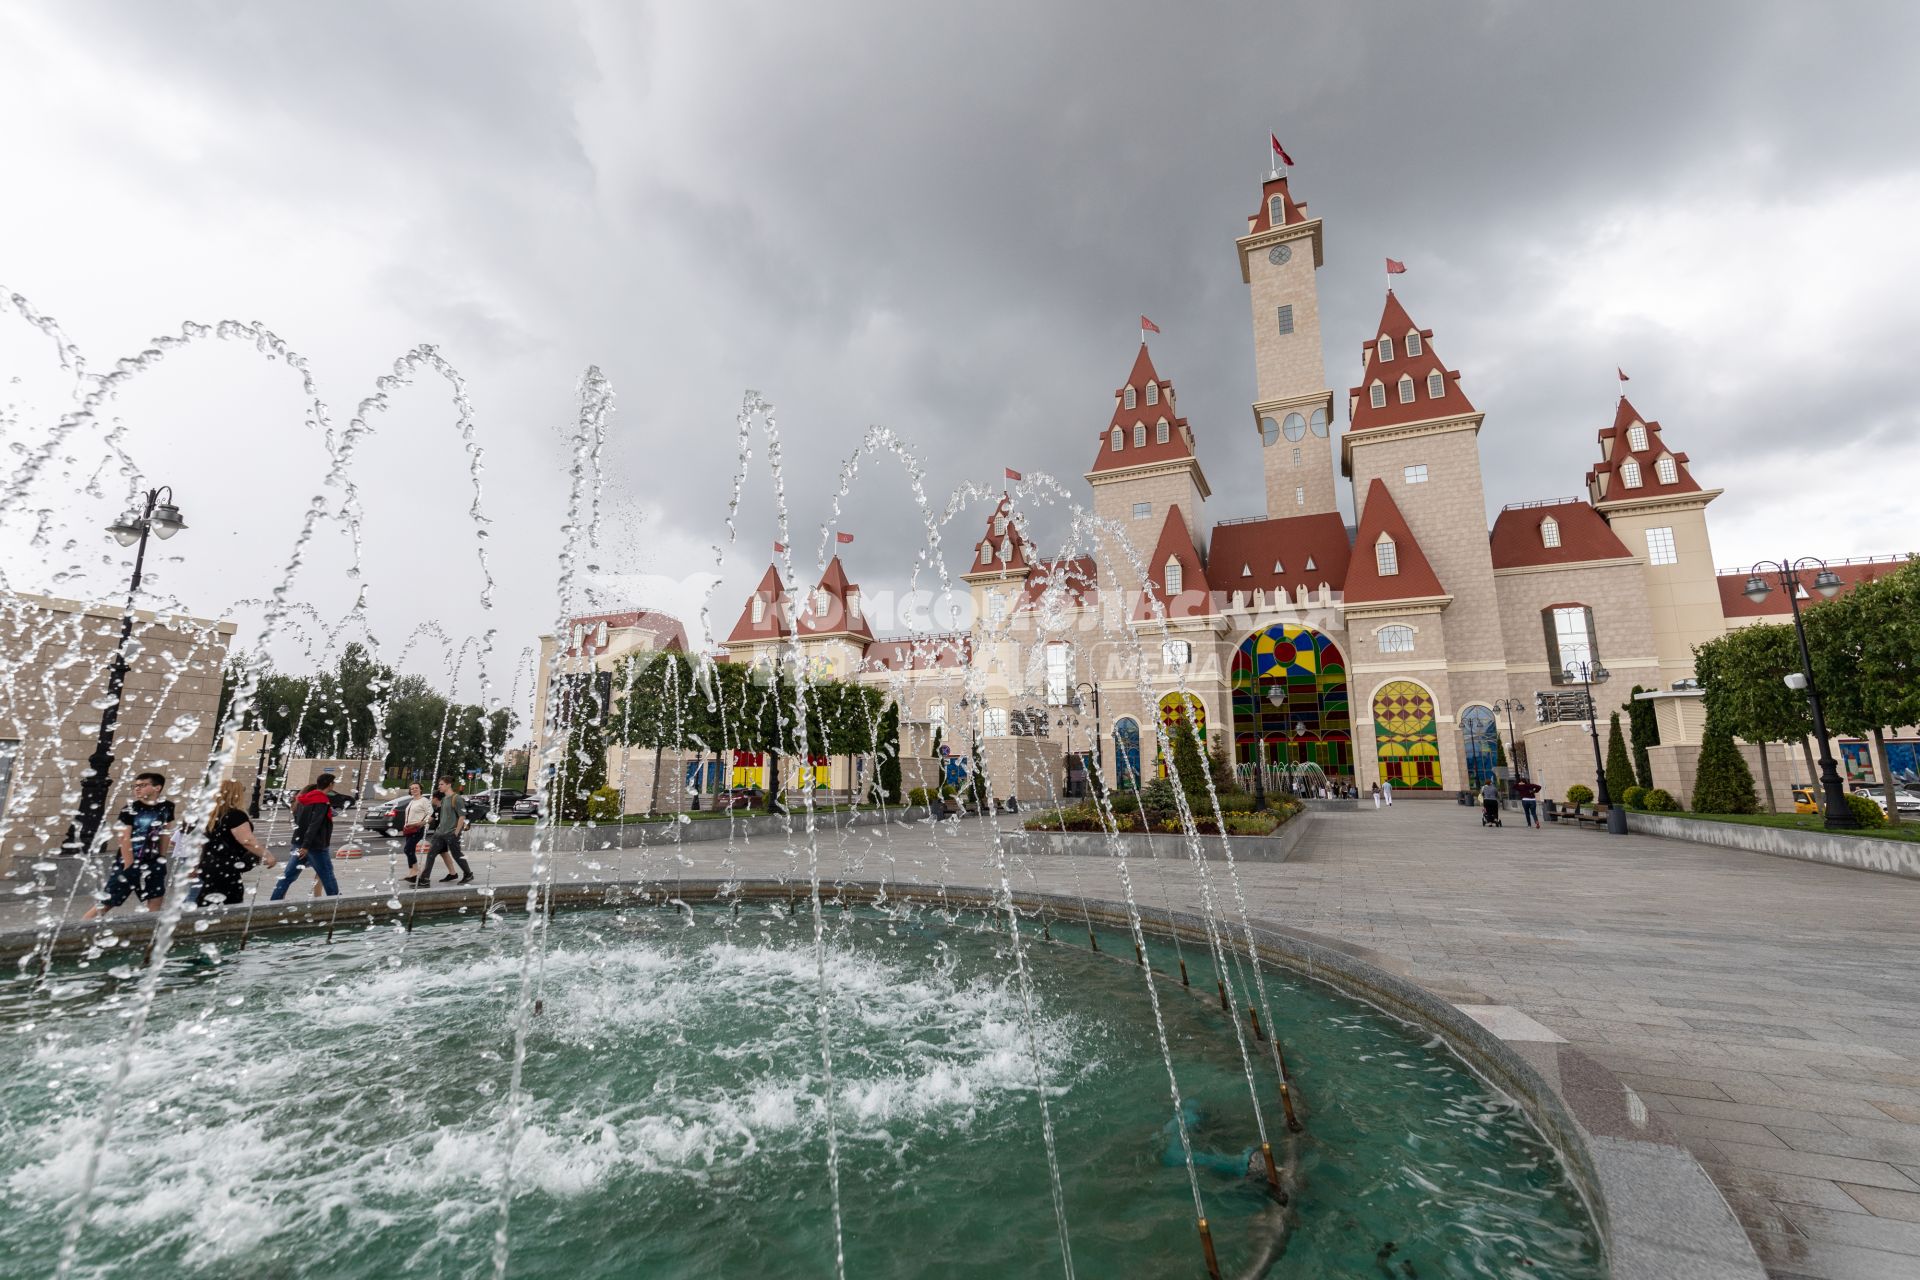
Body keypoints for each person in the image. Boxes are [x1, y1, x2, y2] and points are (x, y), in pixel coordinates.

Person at [83, 771, 175, 919]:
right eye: (135, 786)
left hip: (153, 862)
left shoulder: (167, 806)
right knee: (108, 901)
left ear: (157, 788)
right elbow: (124, 837)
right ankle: (80, 927)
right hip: (129, 862)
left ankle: (152, 936)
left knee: (156, 899)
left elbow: (165, 831)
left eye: (143, 785)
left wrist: (162, 857)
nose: (137, 789)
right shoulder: (130, 809)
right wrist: (128, 864)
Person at [192, 779, 277, 905]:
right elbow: (247, 841)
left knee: (209, 901)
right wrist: (267, 855)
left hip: (209, 864)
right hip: (226, 867)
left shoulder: (211, 815)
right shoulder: (235, 815)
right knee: (232, 903)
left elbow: (202, 843)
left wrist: (195, 865)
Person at [270, 772, 341, 899]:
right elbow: (315, 825)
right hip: (315, 845)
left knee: (288, 876)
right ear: (330, 785)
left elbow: (300, 823)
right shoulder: (321, 801)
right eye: (333, 783)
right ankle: (336, 903)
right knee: (327, 874)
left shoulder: (303, 800)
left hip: (299, 843)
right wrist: (306, 846)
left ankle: (274, 900)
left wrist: (303, 845)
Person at [418, 776, 474, 885]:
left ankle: (468, 874)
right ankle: (424, 879)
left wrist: (456, 832)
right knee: (431, 854)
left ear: (449, 785)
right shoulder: (443, 799)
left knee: (456, 854)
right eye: (439, 784)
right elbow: (442, 817)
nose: (439, 786)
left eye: (442, 784)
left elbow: (462, 816)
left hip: (451, 833)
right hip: (440, 833)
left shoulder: (457, 798)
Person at [397, 783, 433, 884]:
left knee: (407, 849)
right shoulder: (412, 801)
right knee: (410, 849)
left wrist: (421, 824)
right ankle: (411, 872)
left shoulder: (424, 801)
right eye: (412, 789)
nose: (414, 790)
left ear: (421, 789)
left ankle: (416, 871)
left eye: (416, 788)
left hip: (418, 828)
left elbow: (431, 814)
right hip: (409, 828)